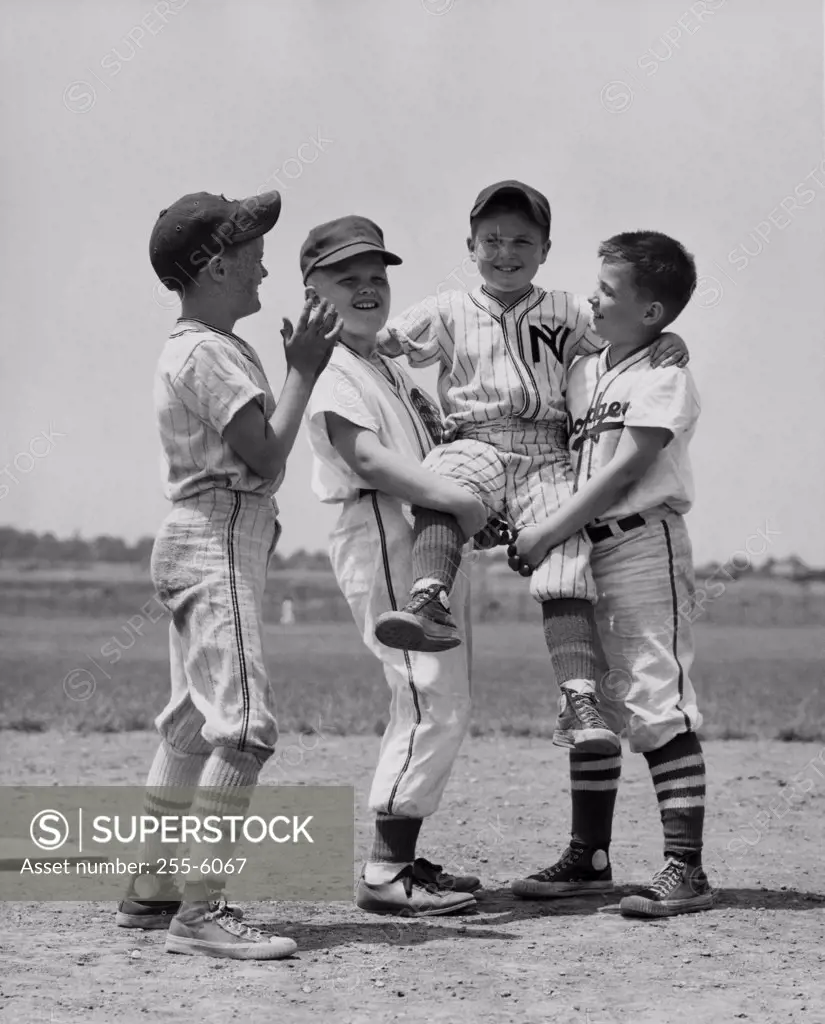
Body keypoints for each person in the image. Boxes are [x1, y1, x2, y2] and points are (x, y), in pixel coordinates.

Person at [373, 180, 687, 756]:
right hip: (476, 436)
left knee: (566, 559)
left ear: (545, 248)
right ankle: (428, 602)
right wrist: (329, 335)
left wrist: (669, 336)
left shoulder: (569, 309)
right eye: (491, 239)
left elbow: (630, 332)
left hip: (547, 449)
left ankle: (579, 697)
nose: (505, 252)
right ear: (469, 246)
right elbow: (382, 342)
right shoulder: (447, 310)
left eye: (522, 239)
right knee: (444, 483)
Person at [115, 189, 342, 959]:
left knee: (190, 723)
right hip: (212, 537)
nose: (263, 264)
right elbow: (269, 458)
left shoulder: (200, 344)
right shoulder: (205, 351)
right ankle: (200, 911)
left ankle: (153, 889)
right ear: (213, 265)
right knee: (245, 726)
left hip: (210, 535)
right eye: (249, 250)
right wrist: (304, 369)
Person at [510, 230, 712, 918]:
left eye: (607, 291)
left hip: (640, 541)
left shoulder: (665, 374)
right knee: (592, 702)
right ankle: (588, 859)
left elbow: (628, 466)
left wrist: (547, 529)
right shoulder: (584, 367)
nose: (592, 298)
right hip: (583, 547)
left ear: (651, 313)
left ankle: (685, 868)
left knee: (658, 697)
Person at [303, 215, 487, 917]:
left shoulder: (382, 359)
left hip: (416, 531)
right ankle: (384, 871)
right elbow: (368, 461)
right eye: (346, 279)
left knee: (441, 693)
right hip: (379, 524)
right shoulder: (328, 365)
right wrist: (458, 500)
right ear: (312, 290)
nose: (367, 289)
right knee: (427, 691)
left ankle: (401, 855)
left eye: (376, 278)